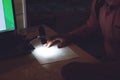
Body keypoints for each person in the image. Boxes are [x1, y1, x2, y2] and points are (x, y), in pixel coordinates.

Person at [45, 0, 120, 80]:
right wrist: (69, 36)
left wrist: (92, 70)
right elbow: (91, 27)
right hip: (108, 59)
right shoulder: (99, 3)